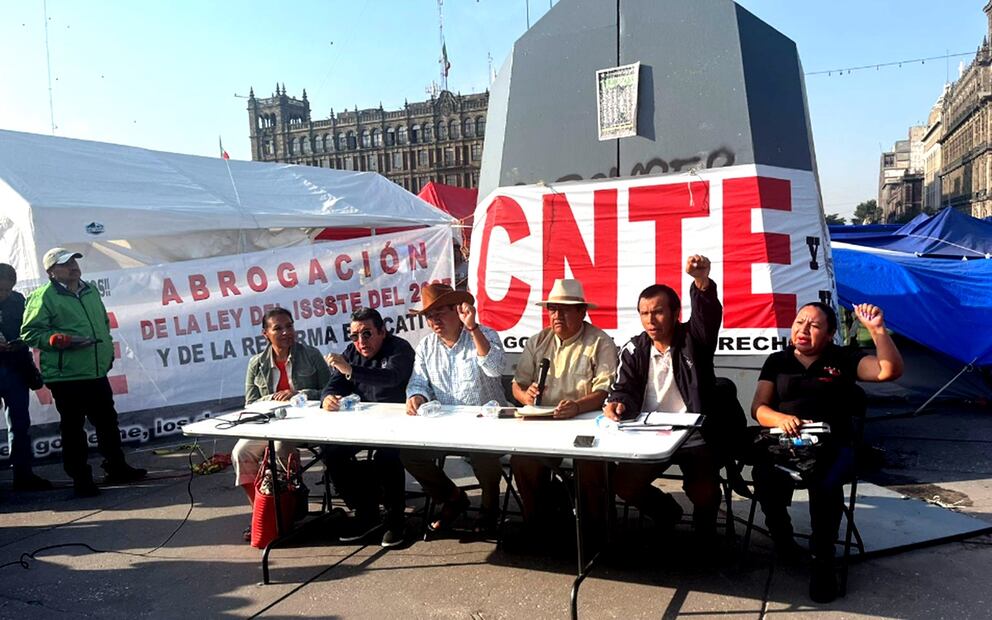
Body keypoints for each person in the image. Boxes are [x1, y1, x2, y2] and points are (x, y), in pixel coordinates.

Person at [750, 301, 902, 604]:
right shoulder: (778, 360)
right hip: (787, 442)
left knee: (825, 483)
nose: (803, 330)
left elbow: (888, 371)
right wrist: (780, 419)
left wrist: (876, 330)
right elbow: (759, 408)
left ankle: (823, 559)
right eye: (798, 322)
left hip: (833, 445)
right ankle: (782, 536)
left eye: (814, 325)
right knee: (764, 476)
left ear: (830, 334)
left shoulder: (843, 358)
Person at [605, 254, 724, 540]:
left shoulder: (694, 340)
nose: (651, 320)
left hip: (694, 434)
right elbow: (623, 388)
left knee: (703, 490)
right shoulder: (634, 349)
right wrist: (618, 403)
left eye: (658, 312)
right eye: (645, 313)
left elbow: (707, 318)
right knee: (624, 484)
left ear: (675, 313)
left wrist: (701, 282)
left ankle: (706, 527)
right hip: (649, 432)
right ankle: (666, 512)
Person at [20, 248, 146, 498]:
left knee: (107, 422)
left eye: (74, 262)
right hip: (67, 375)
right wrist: (57, 339)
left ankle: (116, 467)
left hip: (95, 370)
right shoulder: (43, 296)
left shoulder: (90, 290)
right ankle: (80, 478)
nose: (73, 267)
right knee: (73, 428)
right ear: (52, 272)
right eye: (65, 264)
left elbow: (103, 324)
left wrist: (107, 353)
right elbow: (29, 332)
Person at [509, 279, 617, 547]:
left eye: (565, 309)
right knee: (523, 461)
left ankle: (595, 534)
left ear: (582, 312)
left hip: (585, 423)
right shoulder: (538, 341)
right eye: (553, 309)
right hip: (543, 422)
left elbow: (605, 391)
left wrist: (577, 406)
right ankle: (536, 525)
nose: (557, 315)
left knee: (591, 464)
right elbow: (517, 384)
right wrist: (526, 396)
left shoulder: (600, 341)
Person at [400, 283, 507, 535]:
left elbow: (495, 368)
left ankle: (490, 507)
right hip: (445, 427)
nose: (434, 320)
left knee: (483, 452)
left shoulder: (484, 333)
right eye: (429, 316)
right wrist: (416, 395)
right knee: (409, 454)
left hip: (487, 424)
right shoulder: (427, 346)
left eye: (440, 313)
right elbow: (418, 380)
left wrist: (472, 328)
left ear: (459, 311)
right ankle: (452, 498)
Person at [321, 307, 415, 547]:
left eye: (367, 334)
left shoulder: (399, 348)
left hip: (400, 421)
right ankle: (366, 511)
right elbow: (333, 385)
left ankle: (396, 520)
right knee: (332, 452)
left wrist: (351, 371)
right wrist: (327, 398)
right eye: (354, 336)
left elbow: (392, 377)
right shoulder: (352, 352)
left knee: (386, 456)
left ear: (382, 331)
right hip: (364, 423)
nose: (360, 341)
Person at [232, 307, 330, 531]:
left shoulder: (311, 355)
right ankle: (263, 514)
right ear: (265, 333)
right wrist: (275, 400)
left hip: (305, 423)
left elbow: (328, 391)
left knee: (280, 446)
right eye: (278, 328)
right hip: (270, 424)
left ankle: (285, 510)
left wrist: (299, 395)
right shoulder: (256, 363)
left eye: (289, 326)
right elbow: (251, 402)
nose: (286, 332)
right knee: (240, 453)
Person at [0, 263, 51, 492]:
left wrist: (20, 342)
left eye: (7, 290)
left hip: (16, 370)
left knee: (20, 425)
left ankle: (23, 474)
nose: (3, 295)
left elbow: (29, 330)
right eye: (0, 289)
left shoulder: (18, 301)